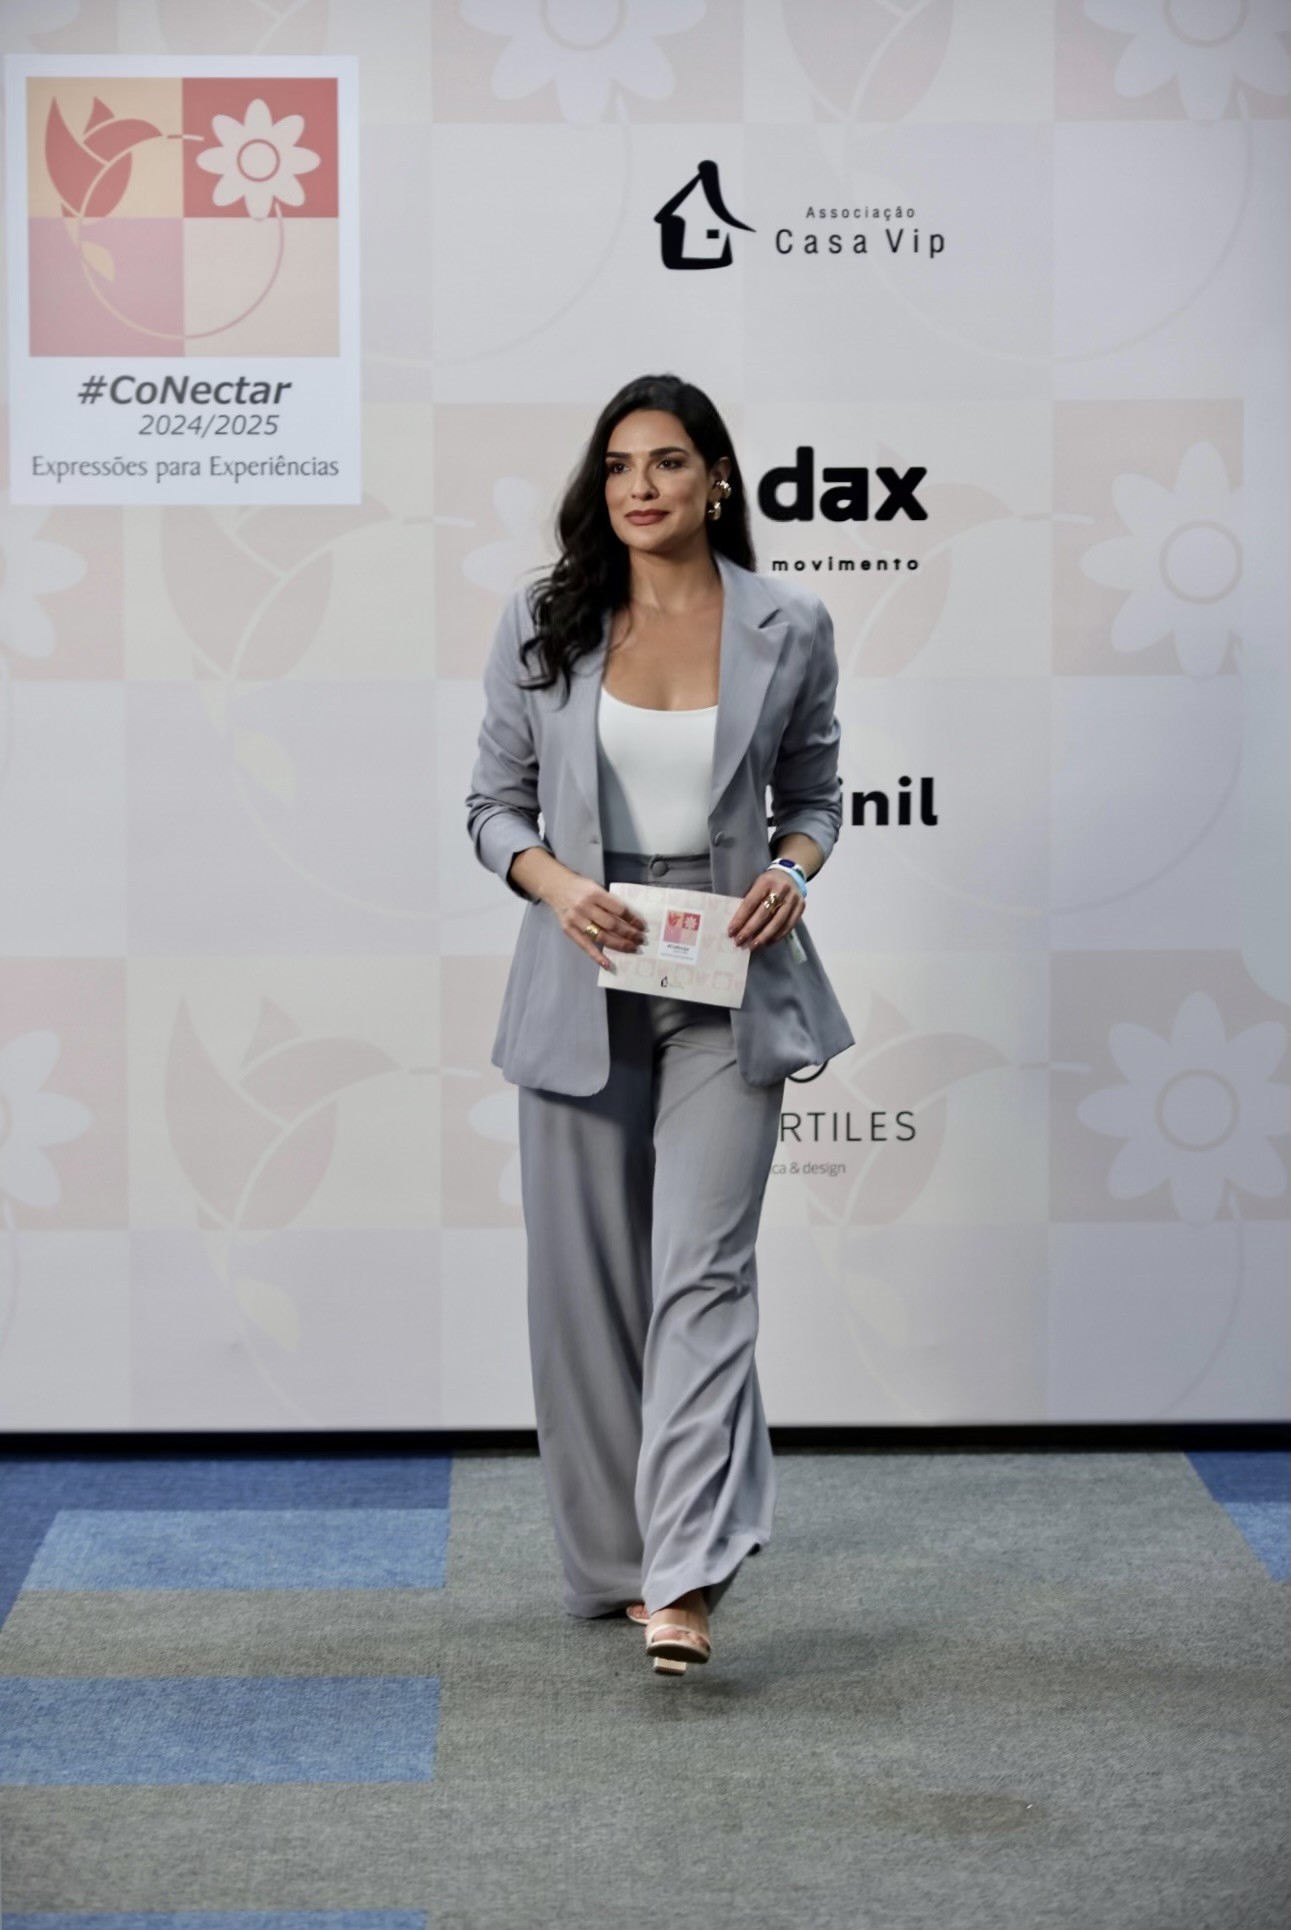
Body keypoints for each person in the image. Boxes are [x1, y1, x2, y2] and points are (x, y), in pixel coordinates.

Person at [465, 373, 855, 1676]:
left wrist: (793, 869)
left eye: (670, 462)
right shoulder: (547, 619)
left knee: (706, 1269)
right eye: (622, 464)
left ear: (716, 478)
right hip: (585, 962)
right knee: (584, 1288)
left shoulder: (791, 623)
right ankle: (618, 1564)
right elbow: (492, 808)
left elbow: (817, 795)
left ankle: (684, 1572)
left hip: (731, 975)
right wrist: (556, 886)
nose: (642, 486)